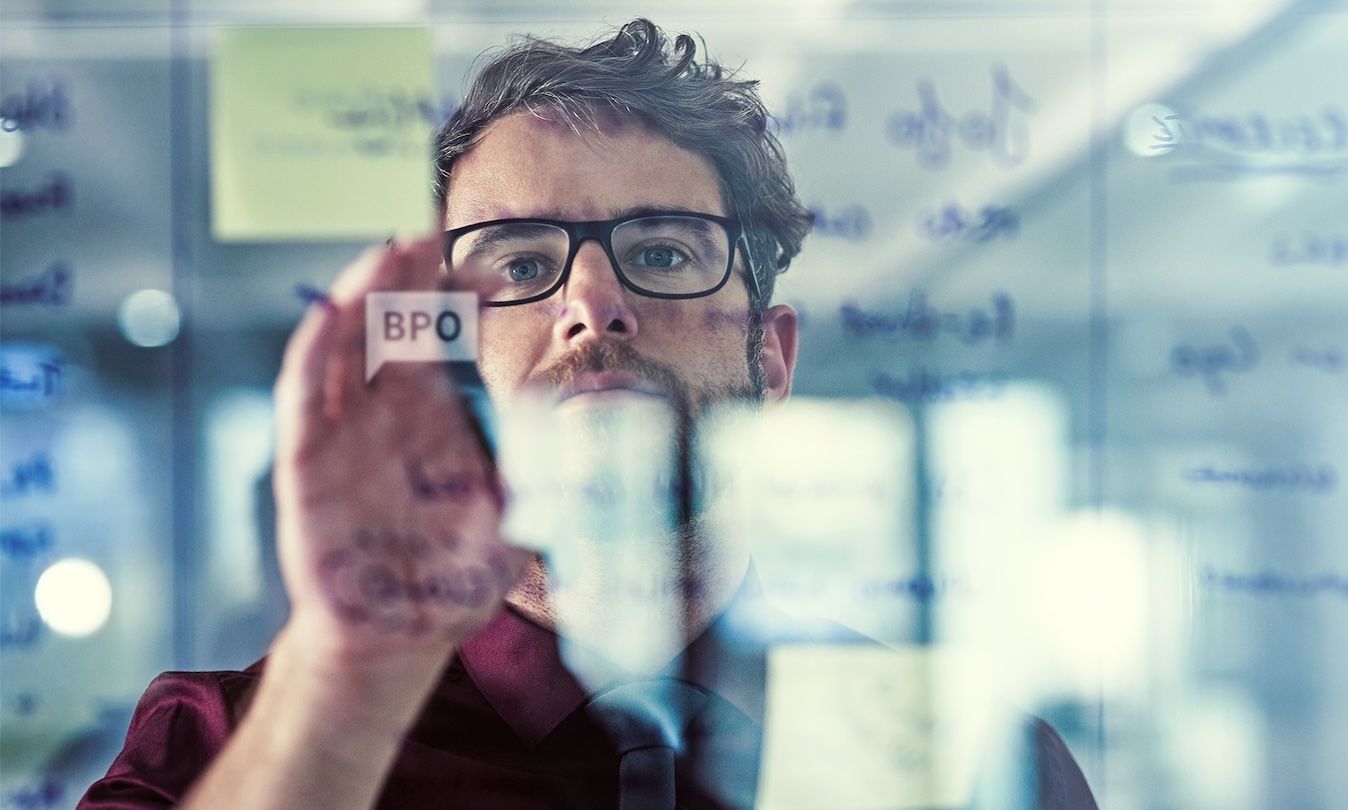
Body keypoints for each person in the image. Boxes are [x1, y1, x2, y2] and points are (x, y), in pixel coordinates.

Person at [79, 19, 1097, 809]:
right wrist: (341, 695)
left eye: (662, 252)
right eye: (521, 264)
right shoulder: (223, 745)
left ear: (772, 359)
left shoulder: (972, 768)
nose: (590, 305)